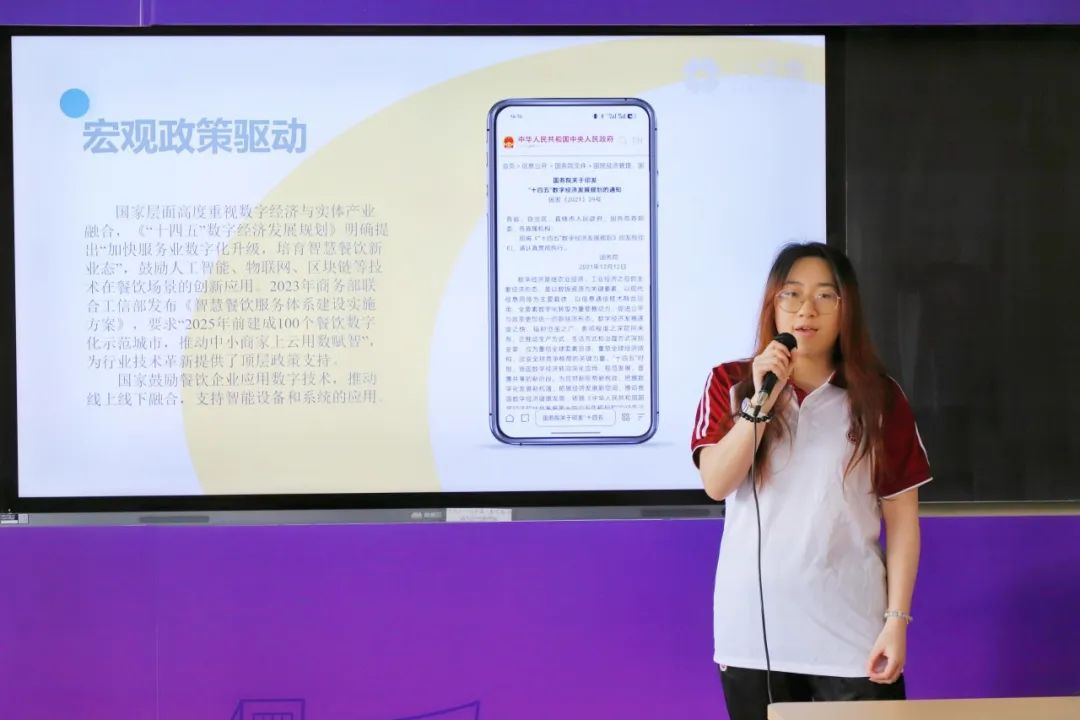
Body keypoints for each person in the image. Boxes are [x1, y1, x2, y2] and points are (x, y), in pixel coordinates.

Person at [690, 242, 931, 720]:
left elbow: (903, 523)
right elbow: (717, 483)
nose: (806, 310)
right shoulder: (732, 383)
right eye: (792, 294)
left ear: (847, 309)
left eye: (825, 295)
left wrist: (896, 622)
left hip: (853, 635)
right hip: (753, 637)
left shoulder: (880, 398)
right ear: (773, 304)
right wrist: (762, 402)